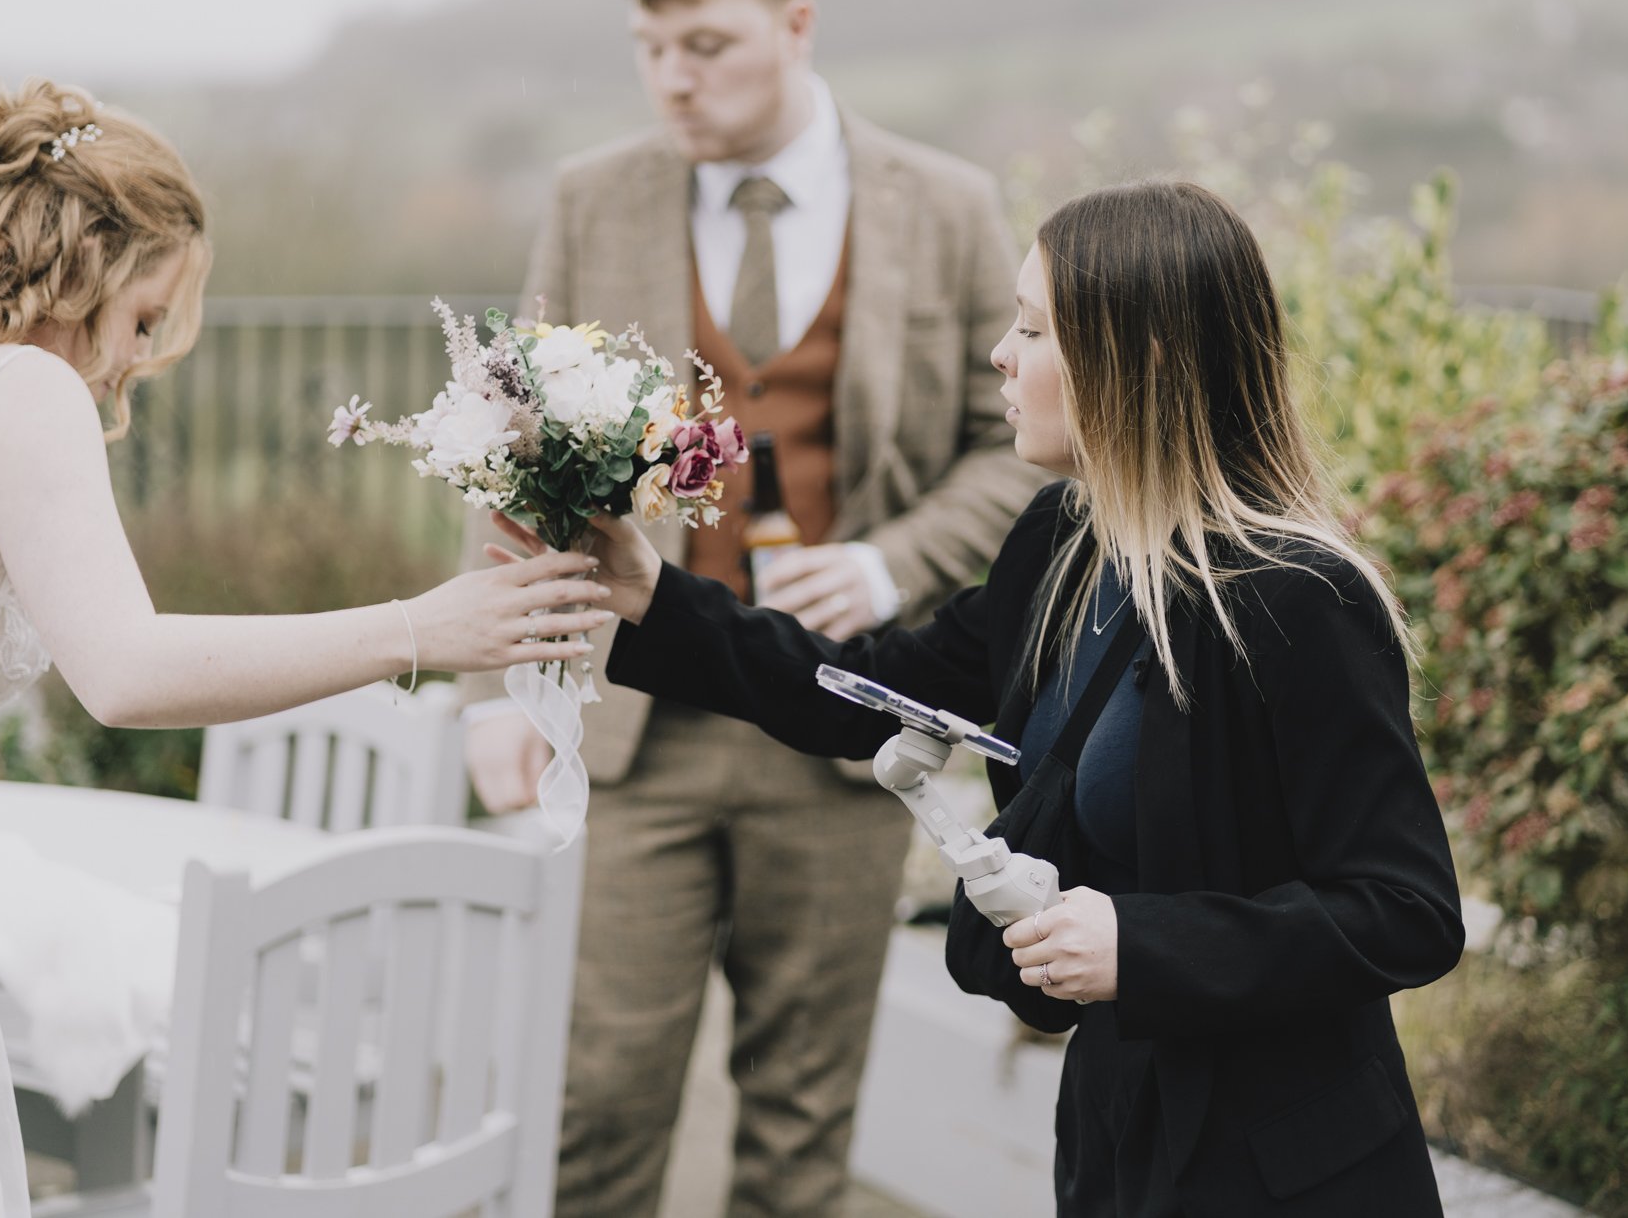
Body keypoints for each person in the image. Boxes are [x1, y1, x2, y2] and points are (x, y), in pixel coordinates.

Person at [490, 180, 1468, 1216]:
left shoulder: (1299, 599)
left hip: (1286, 1176)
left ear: (1133, 363)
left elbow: (1407, 910)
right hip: (1117, 1145)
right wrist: (654, 597)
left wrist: (1143, 946)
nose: (1001, 354)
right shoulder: (1060, 544)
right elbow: (867, 692)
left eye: (1032, 329)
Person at [0, 78, 610, 1218]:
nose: (133, 361)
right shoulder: (22, 389)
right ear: (86, 264)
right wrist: (418, 629)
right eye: (144, 318)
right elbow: (127, 670)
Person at [457, 0, 1047, 1216]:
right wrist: (492, 688)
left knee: (798, 1120)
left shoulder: (946, 205)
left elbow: (1012, 441)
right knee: (595, 1104)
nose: (673, 79)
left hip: (842, 718)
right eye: (650, 49)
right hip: (632, 724)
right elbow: (513, 449)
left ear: (796, 23)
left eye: (707, 46)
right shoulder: (591, 195)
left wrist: (894, 563)